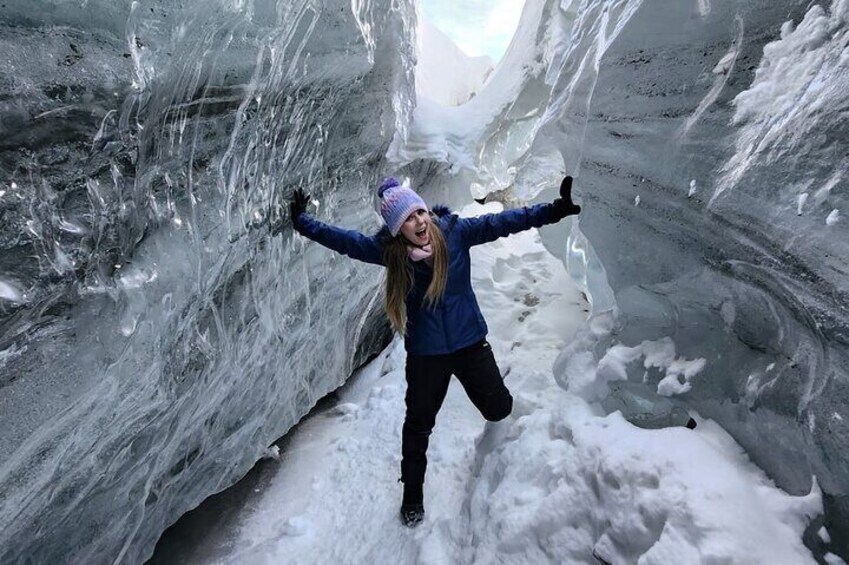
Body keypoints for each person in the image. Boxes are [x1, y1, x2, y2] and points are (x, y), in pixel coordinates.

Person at [288, 176, 581, 527]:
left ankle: (501, 454)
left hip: (470, 342)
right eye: (410, 218)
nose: (420, 221)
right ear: (398, 228)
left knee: (499, 407)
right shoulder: (392, 254)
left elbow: (505, 222)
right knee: (418, 426)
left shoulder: (455, 233)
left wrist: (556, 210)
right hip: (427, 355)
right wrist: (302, 222)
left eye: (421, 212)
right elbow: (345, 242)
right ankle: (412, 495)